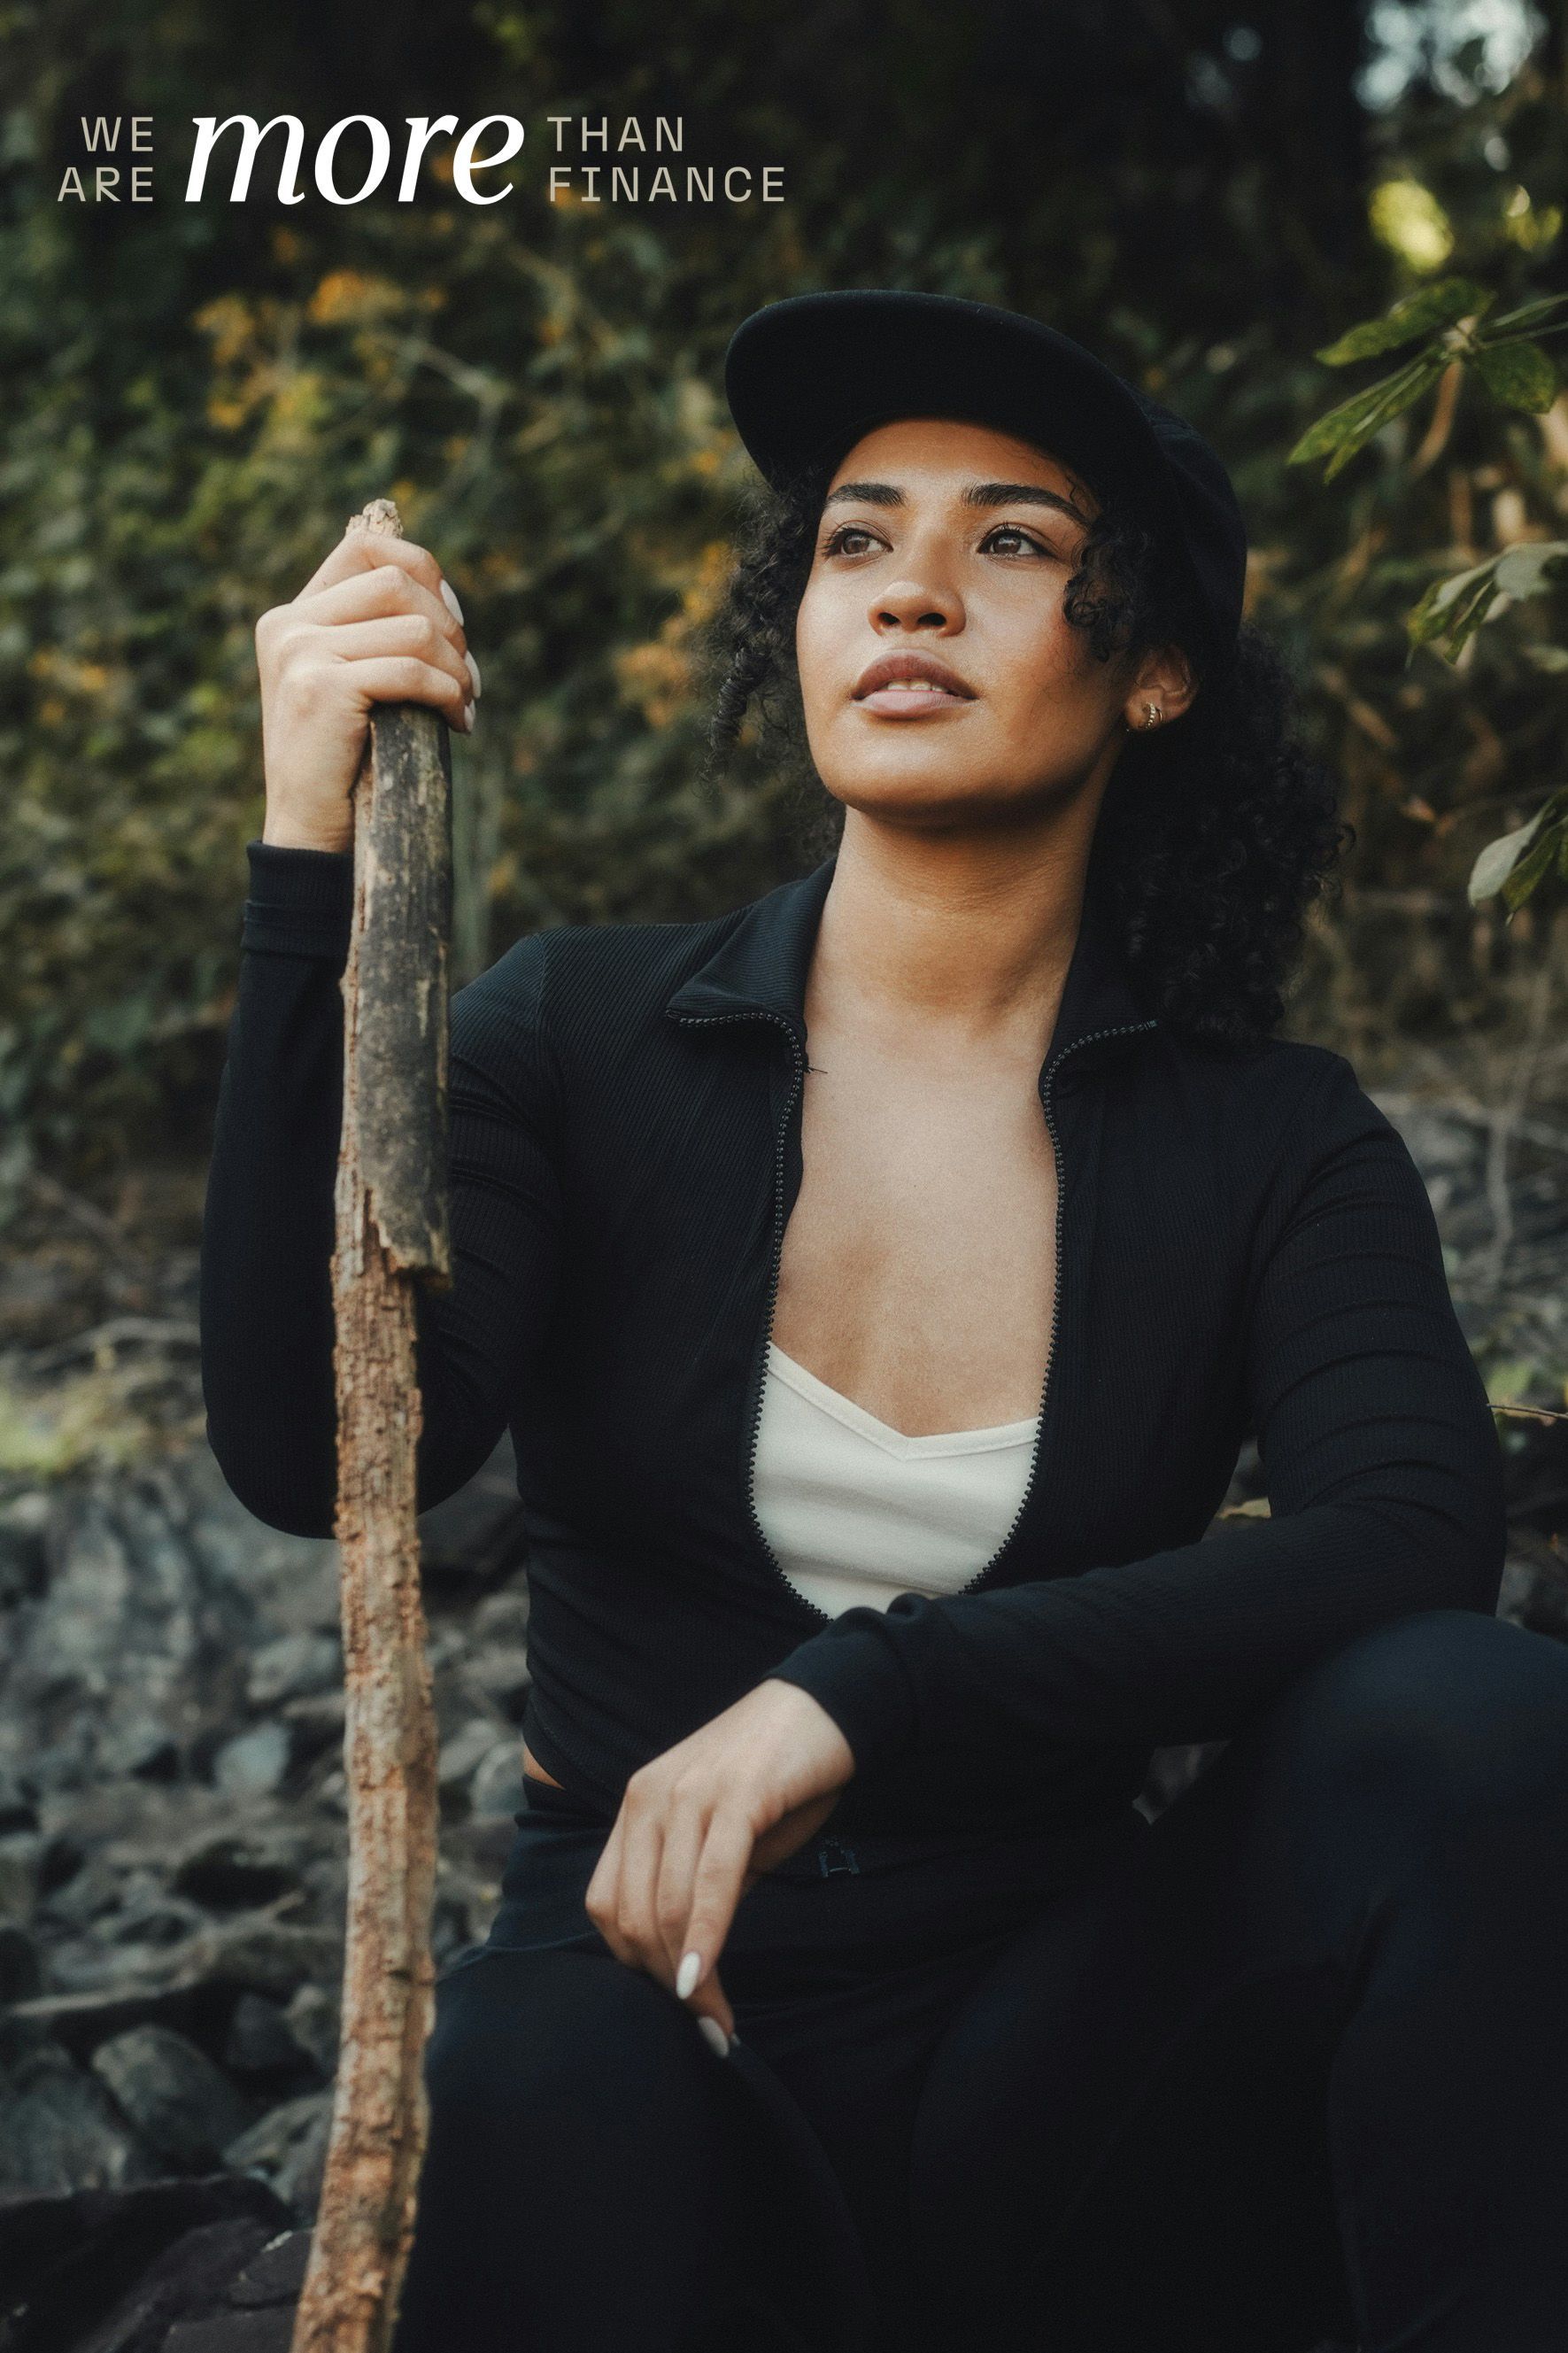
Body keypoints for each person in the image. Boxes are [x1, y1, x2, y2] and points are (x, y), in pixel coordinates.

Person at [199, 290, 1568, 2353]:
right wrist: (301, 856)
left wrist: (867, 1692)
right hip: (632, 1999)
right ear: (802, 625)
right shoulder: (583, 1033)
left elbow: (1410, 1541)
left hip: (1058, 2060)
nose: (910, 586)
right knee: (533, 2091)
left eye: (1011, 540)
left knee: (1475, 1723)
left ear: (1155, 670)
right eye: (856, 539)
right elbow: (315, 1456)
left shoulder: (1269, 1137)